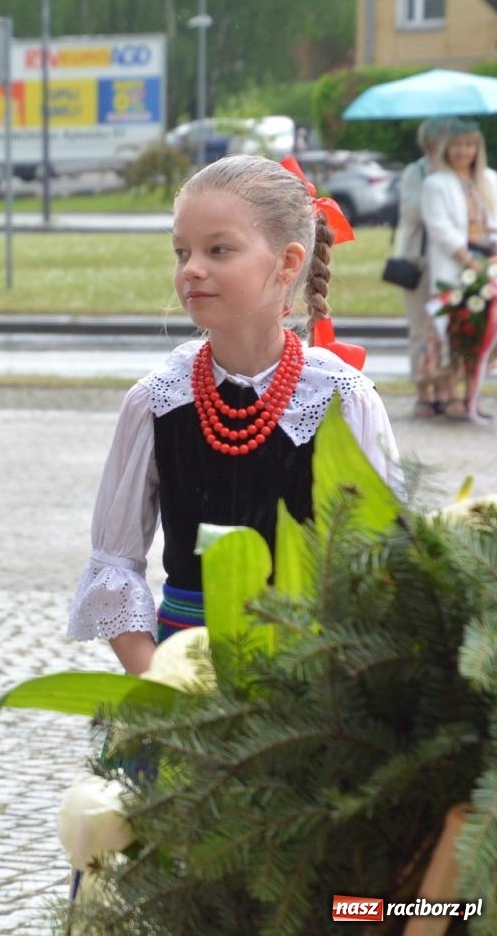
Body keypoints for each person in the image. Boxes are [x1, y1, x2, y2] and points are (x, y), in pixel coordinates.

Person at [66, 155, 398, 673]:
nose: (191, 268)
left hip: (309, 682)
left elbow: (380, 566)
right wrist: (163, 686)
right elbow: (115, 562)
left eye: (218, 249)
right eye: (181, 251)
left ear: (288, 263)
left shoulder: (342, 400)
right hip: (183, 672)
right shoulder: (157, 401)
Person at [421, 119, 497, 423]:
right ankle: (450, 392)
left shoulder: (490, 179)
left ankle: (472, 393)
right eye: (457, 145)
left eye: (469, 145)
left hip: (488, 266)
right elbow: (440, 228)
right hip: (454, 267)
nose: (463, 151)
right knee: (451, 333)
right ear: (447, 149)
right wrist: (469, 260)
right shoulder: (436, 183)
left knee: (482, 332)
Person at [394, 117, 459, 418]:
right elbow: (410, 214)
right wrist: (431, 183)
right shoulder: (415, 172)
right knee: (420, 328)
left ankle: (447, 389)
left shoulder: (457, 175)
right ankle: (423, 391)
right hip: (419, 264)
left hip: (449, 263)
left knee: (449, 329)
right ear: (430, 143)